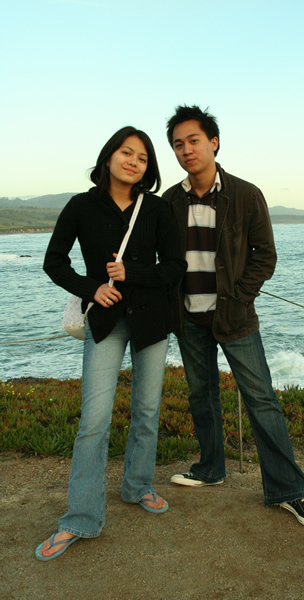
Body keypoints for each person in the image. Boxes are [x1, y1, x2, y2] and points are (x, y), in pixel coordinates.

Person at [162, 105, 304, 530]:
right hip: (188, 317)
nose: (186, 150)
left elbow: (264, 256)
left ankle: (290, 491)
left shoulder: (245, 194)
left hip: (234, 317)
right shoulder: (170, 201)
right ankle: (211, 468)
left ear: (214, 142)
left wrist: (237, 299)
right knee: (201, 396)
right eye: (178, 144)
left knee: (261, 400)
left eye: (194, 140)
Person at [35, 126, 187, 560]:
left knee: (147, 410)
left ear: (147, 168)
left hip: (151, 321)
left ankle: (137, 486)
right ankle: (80, 517)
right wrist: (93, 289)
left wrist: (131, 274)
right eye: (126, 152)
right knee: (94, 421)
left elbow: (174, 266)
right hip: (104, 321)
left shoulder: (155, 208)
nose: (133, 162)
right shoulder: (81, 206)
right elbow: (54, 261)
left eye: (142, 158)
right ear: (108, 157)